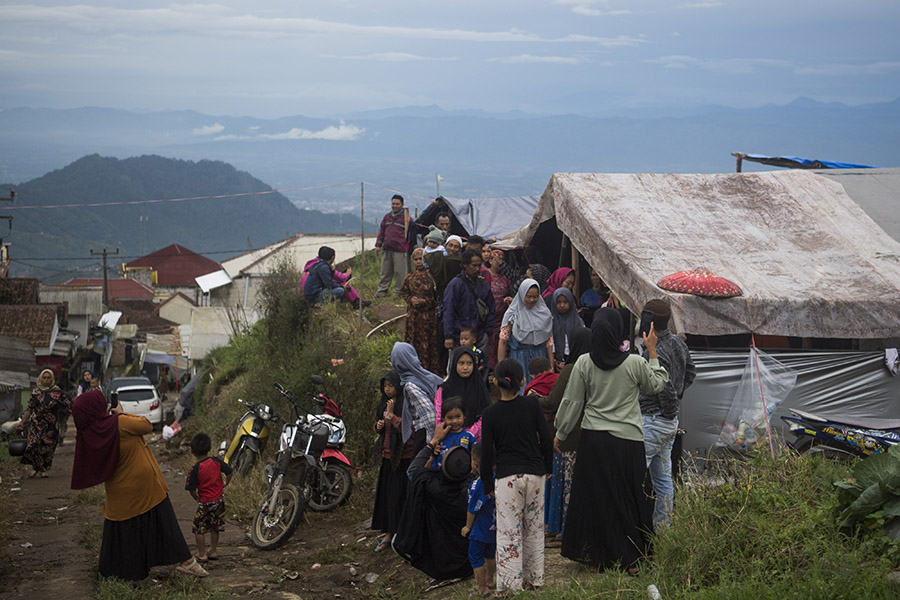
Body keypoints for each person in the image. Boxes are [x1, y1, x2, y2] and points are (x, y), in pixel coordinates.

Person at [554, 308, 669, 573]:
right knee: (628, 499)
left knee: (596, 500)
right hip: (628, 442)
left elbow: (573, 401)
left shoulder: (584, 362)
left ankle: (595, 559)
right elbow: (656, 385)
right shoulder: (633, 362)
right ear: (618, 333)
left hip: (594, 441)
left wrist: (561, 432)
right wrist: (652, 351)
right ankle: (633, 560)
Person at [71, 390, 206, 580]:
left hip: (119, 490)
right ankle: (186, 561)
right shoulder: (118, 423)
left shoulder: (90, 434)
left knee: (123, 532)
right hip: (144, 485)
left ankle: (122, 572)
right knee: (164, 524)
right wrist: (121, 412)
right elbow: (146, 425)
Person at [480, 358, 554, 593]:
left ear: (495, 382)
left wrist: (486, 484)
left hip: (507, 478)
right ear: (523, 381)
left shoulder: (490, 414)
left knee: (509, 532)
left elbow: (486, 453)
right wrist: (548, 467)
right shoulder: (532, 404)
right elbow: (546, 439)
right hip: (535, 475)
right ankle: (535, 580)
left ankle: (511, 587)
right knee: (534, 529)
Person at [638, 299, 696, 529]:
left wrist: (667, 408)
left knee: (635, 477)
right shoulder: (678, 343)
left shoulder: (654, 353)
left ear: (649, 323)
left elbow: (665, 387)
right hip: (668, 423)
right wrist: (673, 408)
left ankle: (635, 537)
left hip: (653, 421)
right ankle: (663, 534)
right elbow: (690, 373)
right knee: (663, 481)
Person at [393, 443, 473, 590]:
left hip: (440, 561)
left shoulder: (432, 486)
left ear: (442, 467)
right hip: (467, 561)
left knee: (396, 542)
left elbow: (413, 471)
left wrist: (431, 445)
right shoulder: (471, 487)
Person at [539, 326, 591, 548]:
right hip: (586, 435)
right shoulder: (595, 367)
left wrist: (533, 398)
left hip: (566, 436)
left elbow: (553, 401)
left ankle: (561, 530)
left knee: (564, 485)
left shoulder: (571, 369)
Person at [371, 371, 413, 553]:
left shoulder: (405, 403)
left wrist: (392, 414)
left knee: (400, 496)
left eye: (391, 385)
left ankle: (401, 533)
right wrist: (378, 426)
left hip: (404, 458)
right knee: (387, 497)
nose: (388, 390)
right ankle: (388, 532)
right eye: (385, 386)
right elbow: (380, 427)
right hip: (387, 458)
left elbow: (408, 429)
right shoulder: (383, 403)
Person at [185, 432, 233, 562]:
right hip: (219, 501)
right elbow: (229, 472)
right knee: (214, 526)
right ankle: (213, 550)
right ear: (210, 448)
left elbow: (191, 489)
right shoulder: (216, 461)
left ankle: (202, 554)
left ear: (192, 451)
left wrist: (196, 498)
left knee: (198, 528)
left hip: (205, 502)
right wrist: (225, 484)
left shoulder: (195, 469)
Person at [497, 279, 554, 387]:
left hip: (540, 359)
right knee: (521, 389)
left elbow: (549, 341)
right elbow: (503, 341)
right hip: (520, 359)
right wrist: (501, 368)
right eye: (528, 296)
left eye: (535, 296)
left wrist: (551, 365)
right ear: (522, 294)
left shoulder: (544, 313)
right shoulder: (512, 314)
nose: (532, 300)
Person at [391, 342, 443, 457]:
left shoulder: (410, 385)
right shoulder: (427, 376)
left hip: (427, 435)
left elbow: (430, 417)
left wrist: (432, 444)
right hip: (441, 428)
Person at [17, 369, 71, 478]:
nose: (46, 380)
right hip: (36, 423)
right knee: (33, 445)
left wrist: (63, 417)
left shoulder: (57, 392)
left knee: (48, 447)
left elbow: (68, 406)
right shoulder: (35, 392)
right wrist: (22, 422)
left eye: (48, 378)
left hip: (51, 425)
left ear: (52, 379)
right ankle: (35, 468)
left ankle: (43, 469)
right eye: (44, 377)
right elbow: (30, 408)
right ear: (41, 378)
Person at [461, 442, 497, 598]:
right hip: (493, 528)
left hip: (479, 531)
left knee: (476, 559)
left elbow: (472, 509)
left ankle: (482, 589)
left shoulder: (477, 485)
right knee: (490, 556)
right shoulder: (498, 480)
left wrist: (467, 527)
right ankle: (490, 580)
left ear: (474, 463)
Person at [443, 249, 496, 354]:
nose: (477, 269)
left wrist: (487, 331)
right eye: (473, 266)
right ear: (465, 265)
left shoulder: (483, 284)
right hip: (460, 337)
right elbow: (449, 310)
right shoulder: (455, 284)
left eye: (479, 266)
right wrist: (449, 336)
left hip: (480, 336)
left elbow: (491, 307)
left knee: (481, 366)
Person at [434, 346, 492, 441]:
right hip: (448, 437)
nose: (465, 367)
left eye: (469, 363)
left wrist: (468, 433)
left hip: (475, 439)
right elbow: (439, 416)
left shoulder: (480, 388)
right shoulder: (444, 389)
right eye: (461, 363)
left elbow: (485, 415)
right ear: (454, 364)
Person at [400, 247, 440, 373]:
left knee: (428, 343)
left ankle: (428, 369)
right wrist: (411, 300)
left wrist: (424, 301)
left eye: (420, 259)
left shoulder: (432, 276)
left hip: (428, 317)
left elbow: (437, 298)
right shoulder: (410, 277)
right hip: (414, 317)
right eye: (416, 259)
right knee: (413, 341)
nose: (418, 262)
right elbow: (404, 292)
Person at [375, 194, 414, 298]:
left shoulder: (407, 219)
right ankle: (382, 291)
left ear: (402, 204)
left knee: (400, 273)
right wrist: (378, 245)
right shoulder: (387, 217)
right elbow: (381, 231)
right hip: (387, 248)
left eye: (397, 204)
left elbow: (411, 235)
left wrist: (408, 247)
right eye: (393, 204)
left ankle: (399, 293)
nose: (395, 206)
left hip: (400, 250)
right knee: (385, 272)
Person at [428, 397, 476, 471]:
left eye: (458, 416)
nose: (454, 421)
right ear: (443, 419)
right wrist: (434, 451)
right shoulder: (440, 437)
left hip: (463, 476)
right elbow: (432, 456)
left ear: (464, 416)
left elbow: (475, 456)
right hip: (441, 476)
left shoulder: (469, 436)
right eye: (450, 418)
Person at [302, 255, 367, 309]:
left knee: (339, 284)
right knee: (341, 288)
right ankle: (355, 302)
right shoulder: (323, 267)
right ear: (332, 258)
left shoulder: (314, 266)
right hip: (314, 295)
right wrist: (347, 274)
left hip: (309, 293)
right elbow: (337, 279)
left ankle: (355, 301)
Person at [487, 249, 514, 369]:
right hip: (488, 316)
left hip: (502, 317)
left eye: (501, 259)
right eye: (495, 258)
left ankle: (499, 367)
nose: (498, 262)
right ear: (490, 260)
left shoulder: (506, 279)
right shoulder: (485, 275)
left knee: (500, 341)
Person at [550, 287, 585, 371]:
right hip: (557, 360)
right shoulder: (551, 321)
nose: (562, 305)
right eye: (558, 302)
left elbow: (583, 341)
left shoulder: (578, 321)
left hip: (576, 360)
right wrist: (554, 361)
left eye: (565, 302)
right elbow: (550, 342)